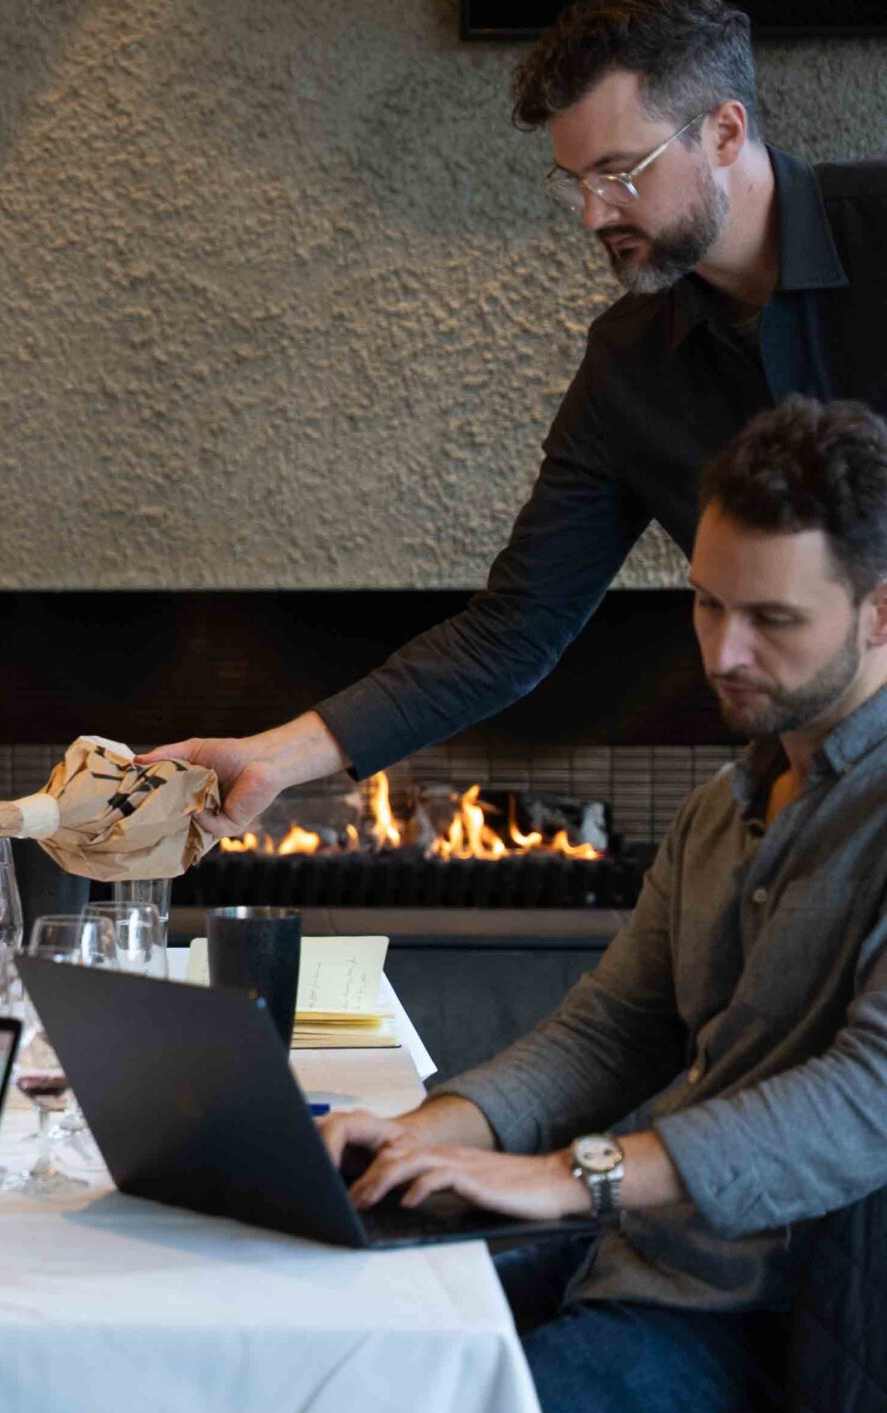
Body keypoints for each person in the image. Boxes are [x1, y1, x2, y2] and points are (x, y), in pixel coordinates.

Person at [148, 0, 887, 834]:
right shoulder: (628, 365)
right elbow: (512, 629)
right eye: (576, 181)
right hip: (812, 800)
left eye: (621, 171)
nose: (594, 213)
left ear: (724, 132)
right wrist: (275, 758)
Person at [321, 397, 887, 1413]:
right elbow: (611, 1030)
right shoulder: (721, 808)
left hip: (785, 1331)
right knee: (332, 1349)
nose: (722, 652)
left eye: (772, 619)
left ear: (879, 612)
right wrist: (422, 1133)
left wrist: (574, 1177)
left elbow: (868, 1099)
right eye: (707, 603)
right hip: (634, 1260)